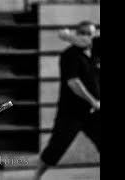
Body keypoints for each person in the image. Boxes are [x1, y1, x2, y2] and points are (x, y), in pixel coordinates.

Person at [32, 21, 100, 180]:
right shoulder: (69, 55)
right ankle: (36, 176)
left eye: (89, 33)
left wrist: (66, 35)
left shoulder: (97, 51)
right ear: (77, 34)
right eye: (82, 33)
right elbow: (73, 83)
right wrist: (93, 101)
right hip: (71, 113)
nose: (86, 37)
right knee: (56, 149)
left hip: (94, 113)